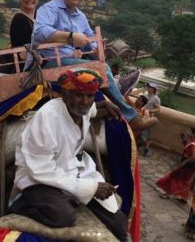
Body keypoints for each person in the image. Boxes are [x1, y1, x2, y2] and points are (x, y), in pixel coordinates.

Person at [9, 68, 128, 241]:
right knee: (63, 216)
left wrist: (104, 105)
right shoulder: (47, 118)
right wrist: (89, 188)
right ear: (64, 95)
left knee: (118, 222)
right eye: (79, 95)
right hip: (39, 178)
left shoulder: (83, 110)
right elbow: (41, 169)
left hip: (71, 170)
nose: (84, 101)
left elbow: (91, 109)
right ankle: (20, 204)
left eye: (90, 96)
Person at [27, 0, 148, 131]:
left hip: (68, 62)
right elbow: (39, 32)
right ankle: (131, 116)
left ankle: (117, 91)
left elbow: (88, 39)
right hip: (49, 62)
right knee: (102, 69)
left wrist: (95, 48)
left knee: (102, 65)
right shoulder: (50, 8)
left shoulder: (80, 16)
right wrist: (70, 37)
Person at [156, 126, 195, 202]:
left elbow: (194, 157)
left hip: (188, 166)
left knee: (175, 177)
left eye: (189, 131)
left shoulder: (193, 145)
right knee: (183, 180)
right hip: (190, 166)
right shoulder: (194, 142)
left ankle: (168, 194)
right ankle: (184, 197)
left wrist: (185, 161)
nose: (187, 132)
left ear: (193, 134)